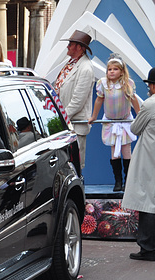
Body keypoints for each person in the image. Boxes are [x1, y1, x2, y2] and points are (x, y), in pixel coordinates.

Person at [88, 54, 140, 191]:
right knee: (114, 152)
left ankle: (128, 180)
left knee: (126, 151)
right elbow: (99, 100)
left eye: (115, 69)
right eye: (109, 69)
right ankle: (118, 181)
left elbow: (133, 99)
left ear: (122, 71)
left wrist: (139, 114)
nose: (111, 72)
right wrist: (94, 116)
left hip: (125, 121)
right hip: (111, 122)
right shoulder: (103, 84)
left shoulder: (127, 84)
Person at [122, 67, 155, 261]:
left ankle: (147, 247)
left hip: (149, 156)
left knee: (147, 201)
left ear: (152, 85)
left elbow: (135, 128)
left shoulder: (149, 105)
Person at [53, 30, 95, 168]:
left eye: (71, 44)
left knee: (74, 166)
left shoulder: (86, 68)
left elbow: (78, 101)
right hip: (65, 125)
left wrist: (60, 118)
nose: (68, 46)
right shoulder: (70, 63)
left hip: (74, 126)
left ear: (79, 47)